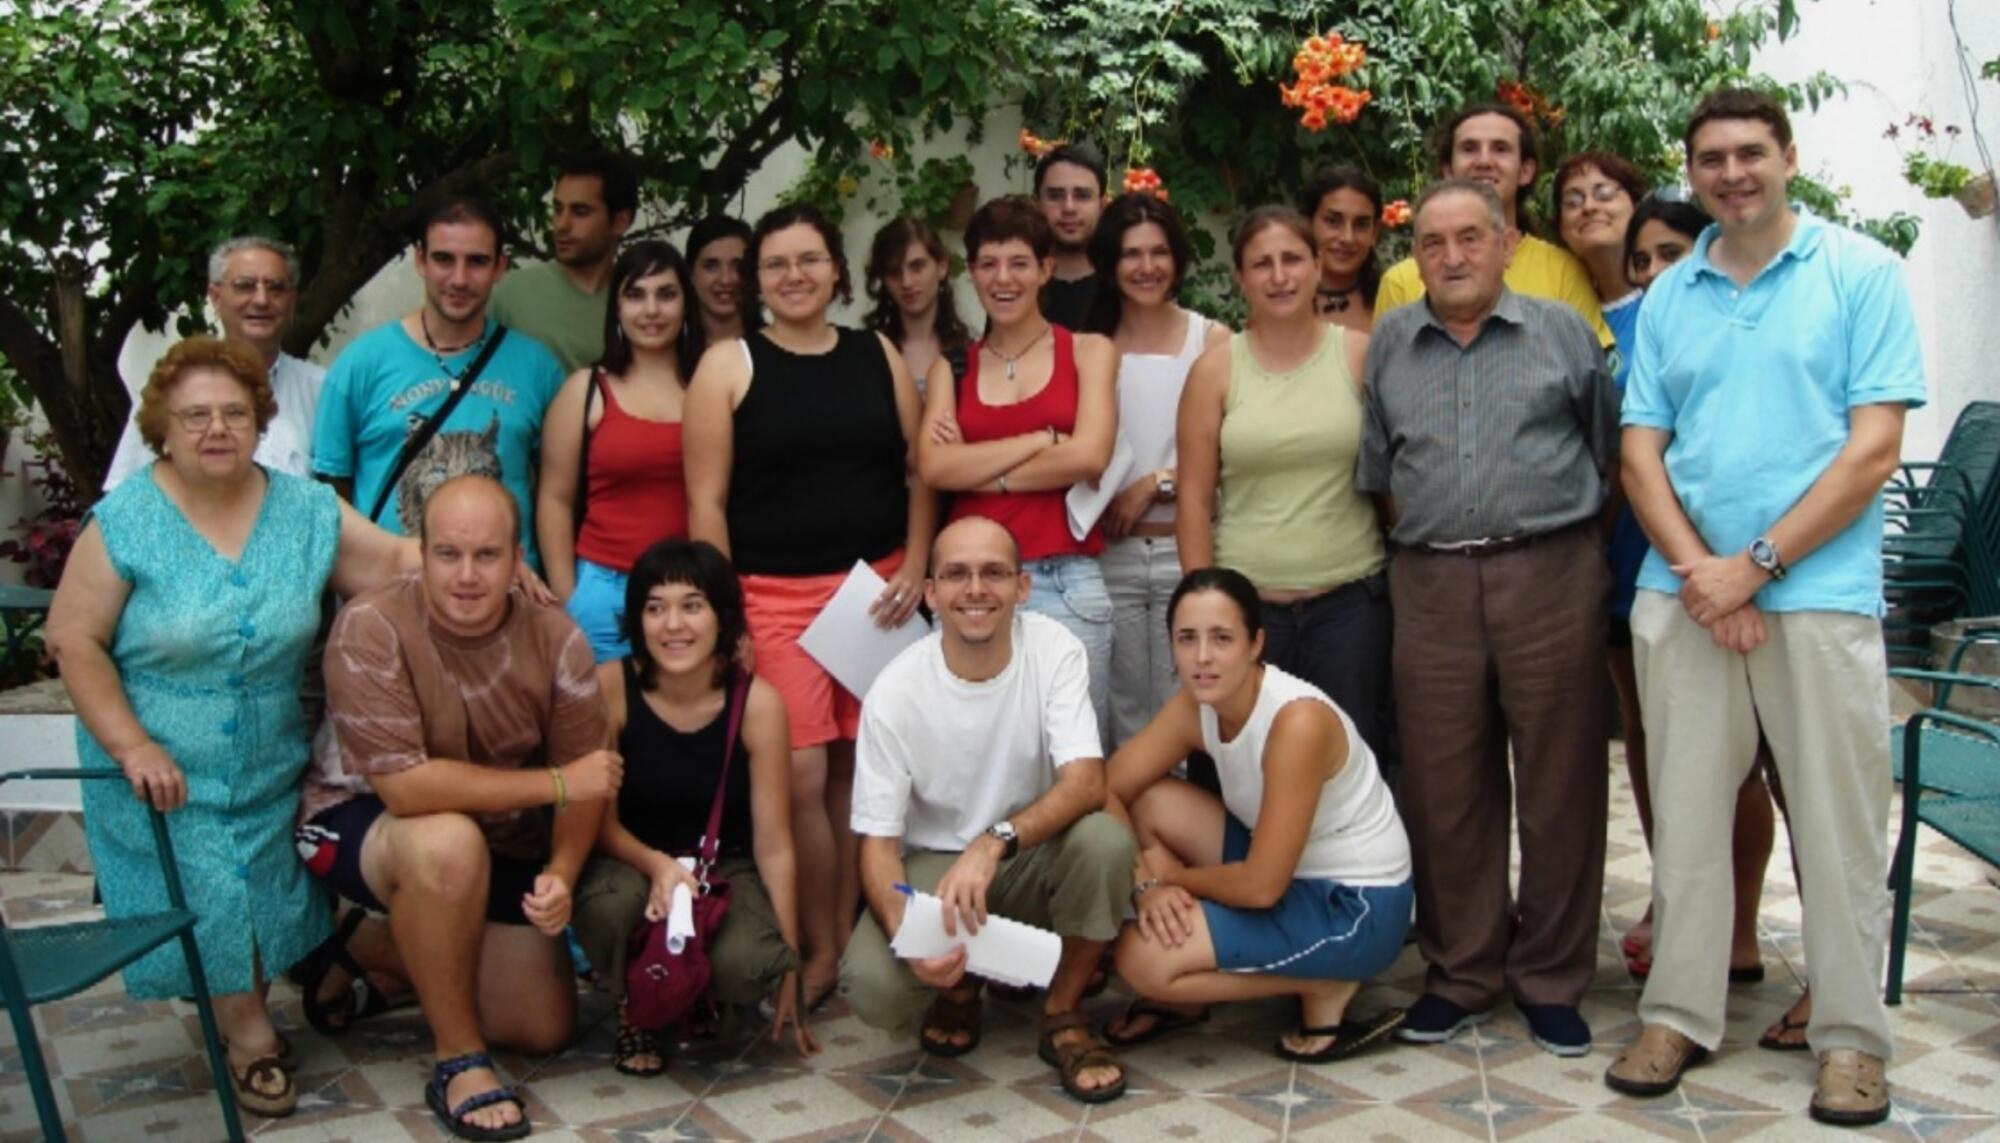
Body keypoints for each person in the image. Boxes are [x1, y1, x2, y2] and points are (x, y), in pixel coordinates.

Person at [1605, 89, 1924, 1129]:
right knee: (1686, 819)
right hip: (1682, 596)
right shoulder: (1671, 294)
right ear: (1690, 170)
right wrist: (1703, 571)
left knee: (1835, 830)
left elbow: (1871, 448)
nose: (1730, 173)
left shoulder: (1858, 273)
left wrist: (1755, 566)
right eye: (1710, 158)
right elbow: (1638, 448)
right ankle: (1677, 1015)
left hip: (1814, 597)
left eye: (1749, 153)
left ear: (1787, 156)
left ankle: (1847, 1042)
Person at [46, 337, 445, 1119]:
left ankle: (294, 981)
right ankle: (249, 1035)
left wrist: (482, 560)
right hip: (158, 759)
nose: (216, 428)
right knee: (216, 888)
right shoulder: (126, 517)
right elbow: (72, 639)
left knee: (263, 888)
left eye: (234, 411)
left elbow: (397, 560)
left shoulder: (302, 508)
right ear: (163, 424)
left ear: (261, 421)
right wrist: (133, 744)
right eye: (195, 414)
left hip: (266, 750)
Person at [1356, 179, 1619, 1058]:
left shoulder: (1561, 333)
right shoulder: (1391, 340)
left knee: (1561, 781)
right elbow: (1379, 470)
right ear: (1415, 255)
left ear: (1507, 244)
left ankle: (1550, 978)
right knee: (1445, 787)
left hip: (1550, 571)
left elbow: (1609, 452)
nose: (1454, 256)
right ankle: (1464, 971)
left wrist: (1563, 548)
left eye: (1472, 237)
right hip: (1430, 582)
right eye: (1434, 242)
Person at [296, 475, 617, 1141]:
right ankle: (458, 1057)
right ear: (423, 551)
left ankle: (378, 951)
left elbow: (590, 780)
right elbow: (407, 790)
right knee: (446, 842)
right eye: (447, 553)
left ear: (517, 557)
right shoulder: (372, 624)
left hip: (495, 834)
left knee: (540, 1025)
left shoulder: (557, 638)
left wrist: (560, 865)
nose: (466, 575)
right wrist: (554, 785)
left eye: (486, 555)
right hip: (354, 820)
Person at [684, 203, 935, 1011]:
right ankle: (818, 946)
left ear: (836, 269)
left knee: (863, 774)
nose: (794, 276)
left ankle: (859, 930)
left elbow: (919, 468)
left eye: (810, 259)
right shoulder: (728, 364)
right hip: (773, 598)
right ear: (756, 282)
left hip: (876, 595)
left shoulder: (878, 352)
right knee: (798, 772)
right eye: (777, 264)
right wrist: (729, 622)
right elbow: (707, 505)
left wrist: (920, 564)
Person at [1569, 181, 1783, 987]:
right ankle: (1678, 900)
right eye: (1643, 258)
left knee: (1745, 758)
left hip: (1729, 562)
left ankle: (1741, 927)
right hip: (1637, 566)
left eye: (1671, 252)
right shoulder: (1626, 325)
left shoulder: (1720, 318)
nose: (1656, 268)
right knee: (1660, 747)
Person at [843, 516, 1135, 1103]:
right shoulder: (894, 691)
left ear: (1022, 588)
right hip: (937, 866)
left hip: (1024, 855)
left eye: (994, 573)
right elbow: (876, 843)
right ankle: (957, 989)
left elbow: (1085, 783)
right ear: (930, 593)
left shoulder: (1055, 649)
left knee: (1105, 839)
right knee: (872, 987)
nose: (976, 589)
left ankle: (1063, 1013)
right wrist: (908, 935)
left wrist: (994, 841)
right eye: (956, 574)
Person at [1103, 567, 1411, 1060]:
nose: (1202, 658)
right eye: (1187, 639)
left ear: (1256, 644)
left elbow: (1261, 886)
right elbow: (1106, 788)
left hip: (1355, 905)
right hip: (1287, 872)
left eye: (1222, 638)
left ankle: (1324, 985)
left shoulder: (1297, 722)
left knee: (1141, 963)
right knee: (1150, 800)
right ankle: (1192, 995)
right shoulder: (1195, 705)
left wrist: (1175, 880)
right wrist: (1145, 883)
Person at [569, 539, 817, 1076]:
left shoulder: (758, 704)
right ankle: (634, 1008)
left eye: (692, 605)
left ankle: (701, 995)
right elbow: (598, 826)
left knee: (752, 962)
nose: (673, 625)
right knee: (610, 905)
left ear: (722, 618)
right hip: (631, 863)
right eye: (655, 607)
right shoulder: (610, 688)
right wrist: (658, 867)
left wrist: (791, 962)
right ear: (637, 619)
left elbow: (774, 843)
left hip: (720, 866)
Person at [1176, 207, 1393, 769]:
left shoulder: (1360, 355)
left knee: (1348, 767)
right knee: (1242, 769)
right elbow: (1195, 501)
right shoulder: (1216, 371)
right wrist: (1205, 609)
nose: (1279, 276)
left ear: (1319, 267)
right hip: (1249, 616)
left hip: (1350, 609)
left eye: (1293, 259)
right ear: (1241, 278)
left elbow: (1393, 478)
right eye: (1262, 264)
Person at [916, 196, 1118, 732]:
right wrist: (1041, 438)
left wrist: (979, 468)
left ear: (1046, 269)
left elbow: (1089, 455)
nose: (1003, 279)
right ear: (971, 272)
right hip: (969, 585)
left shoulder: (1089, 352)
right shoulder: (951, 367)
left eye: (1019, 263)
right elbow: (934, 469)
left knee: (1073, 755)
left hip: (1066, 579)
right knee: (971, 746)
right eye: (988, 264)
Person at [312, 197, 566, 569]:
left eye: (477, 261)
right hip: (393, 594)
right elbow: (330, 495)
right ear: (420, 261)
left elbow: (558, 493)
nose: (459, 279)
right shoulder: (361, 363)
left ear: (500, 267)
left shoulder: (538, 368)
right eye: (444, 259)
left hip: (506, 594)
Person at [1083, 193, 1228, 746]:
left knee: (1191, 709)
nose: (1146, 267)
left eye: (1159, 252)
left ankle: (1186, 827)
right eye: (1130, 254)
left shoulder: (1211, 340)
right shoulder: (1088, 347)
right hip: (1109, 555)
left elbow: (1231, 452)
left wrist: (1157, 483)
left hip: (1187, 549)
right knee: (1117, 715)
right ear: (1109, 262)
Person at [536, 240, 697, 661]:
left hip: (694, 593)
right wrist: (566, 598)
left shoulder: (712, 385)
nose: (651, 310)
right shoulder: (585, 390)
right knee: (601, 724)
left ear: (686, 304)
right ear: (617, 308)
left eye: (666, 294)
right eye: (635, 294)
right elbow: (554, 499)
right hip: (604, 593)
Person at [1372, 104, 1612, 345]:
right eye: (1469, 149)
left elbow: (1589, 371)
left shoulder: (1563, 271)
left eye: (1500, 149)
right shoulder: (1401, 282)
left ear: (1525, 171)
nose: (1484, 161)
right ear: (1448, 171)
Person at [103, 237, 323, 490]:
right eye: (245, 286)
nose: (262, 300)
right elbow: (125, 497)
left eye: (276, 288)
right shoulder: (172, 386)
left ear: (292, 300)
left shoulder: (323, 391)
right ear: (216, 297)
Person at [490, 149, 639, 372]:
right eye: (558, 209)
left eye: (580, 212)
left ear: (620, 221)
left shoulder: (641, 302)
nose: (562, 225)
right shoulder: (509, 294)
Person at [865, 216, 972, 389]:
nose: (906, 282)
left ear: (941, 266)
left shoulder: (968, 353)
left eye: (917, 267)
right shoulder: (870, 354)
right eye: (894, 272)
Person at [1298, 166, 1386, 337]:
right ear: (1307, 224)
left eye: (1361, 224)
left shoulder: (1391, 301)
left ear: (1375, 233)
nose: (1347, 238)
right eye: (1333, 221)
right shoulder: (1283, 305)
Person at [1034, 143, 1108, 328]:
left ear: (1102, 205)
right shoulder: (1019, 282)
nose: (1069, 208)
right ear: (1037, 203)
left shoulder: (1122, 282)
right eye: (1055, 195)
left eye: (1082, 196)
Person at [686, 214, 758, 355]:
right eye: (711, 266)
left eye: (738, 267)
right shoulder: (672, 356)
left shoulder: (776, 349)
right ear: (690, 274)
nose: (725, 279)